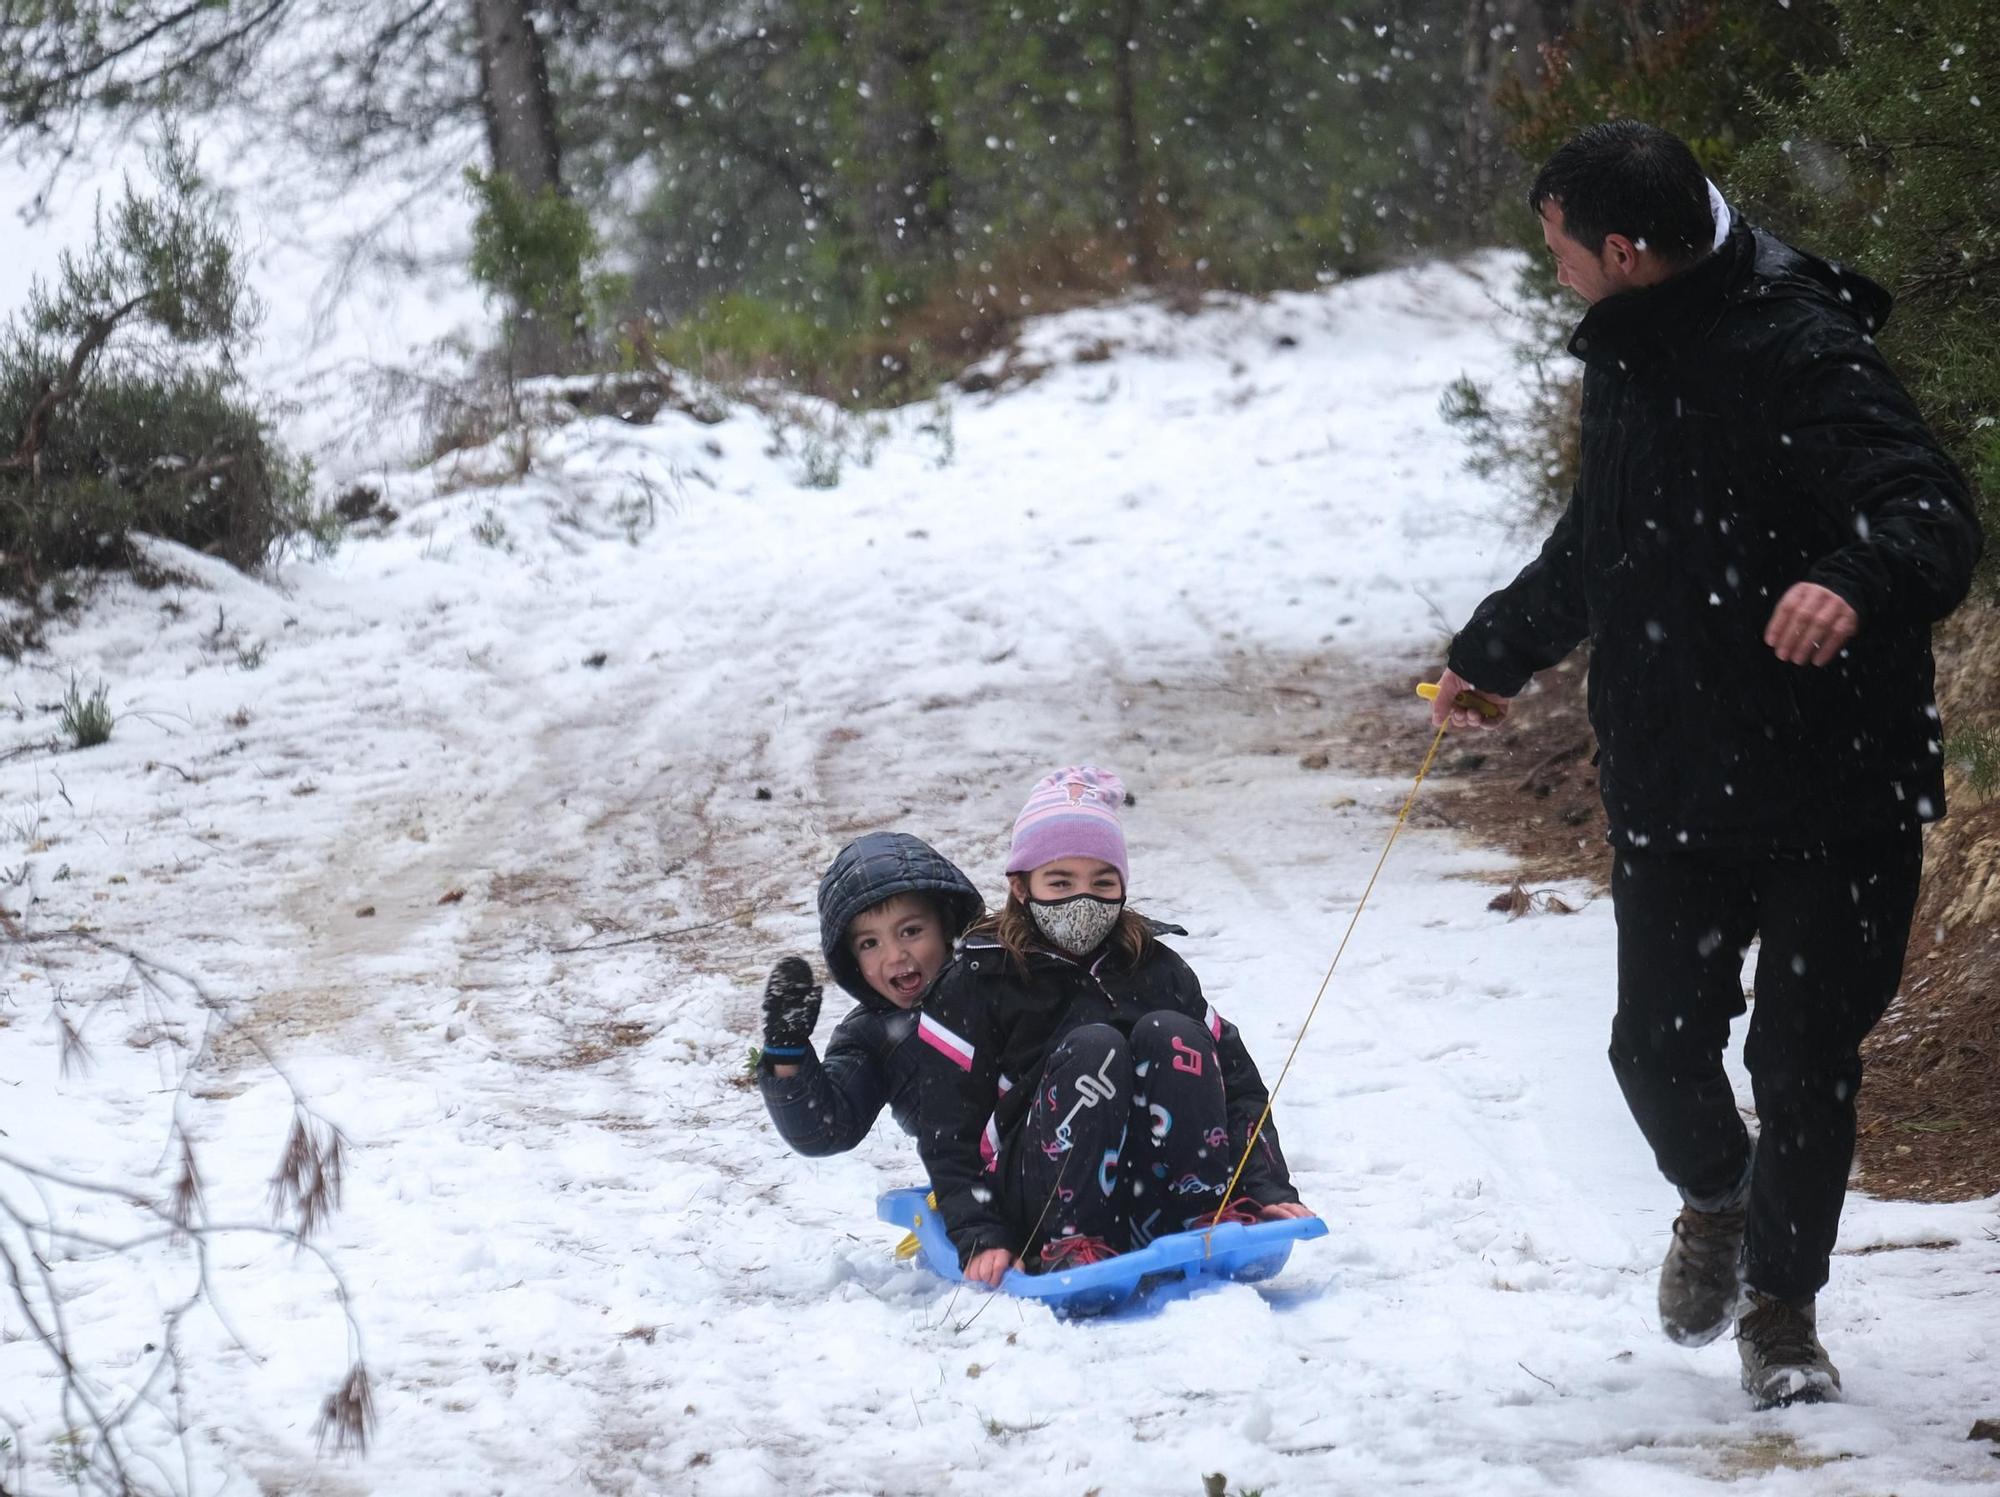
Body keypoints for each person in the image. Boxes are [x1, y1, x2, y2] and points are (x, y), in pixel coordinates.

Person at [1429, 121, 1982, 1407]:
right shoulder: (1631, 341)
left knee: (1800, 1069)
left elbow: (1930, 513)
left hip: (1834, 790)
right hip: (1676, 778)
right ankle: (1716, 1203)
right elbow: (1605, 533)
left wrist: (1851, 576)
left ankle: (1781, 1316)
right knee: (1654, 1052)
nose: (1552, 269)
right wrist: (1496, 650)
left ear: (1623, 251)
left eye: (1559, 248)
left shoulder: (1801, 341)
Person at [916, 765, 1310, 1286]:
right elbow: (948, 1130)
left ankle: (1202, 1212)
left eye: (1102, 882)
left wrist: (1267, 1187)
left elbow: (1237, 1087)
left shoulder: (1154, 967)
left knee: (1175, 1035)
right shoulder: (979, 979)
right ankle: (1070, 1238)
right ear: (1020, 886)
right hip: (1032, 1196)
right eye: (1060, 882)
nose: (1084, 900)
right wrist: (980, 1231)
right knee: (1095, 1048)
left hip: (1146, 1184)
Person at [758, 831, 983, 1156]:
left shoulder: (995, 977)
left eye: (911, 931)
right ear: (851, 959)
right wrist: (786, 1053)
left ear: (946, 926)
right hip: (970, 1183)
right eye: (870, 943)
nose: (895, 956)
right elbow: (825, 1129)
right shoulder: (871, 1038)